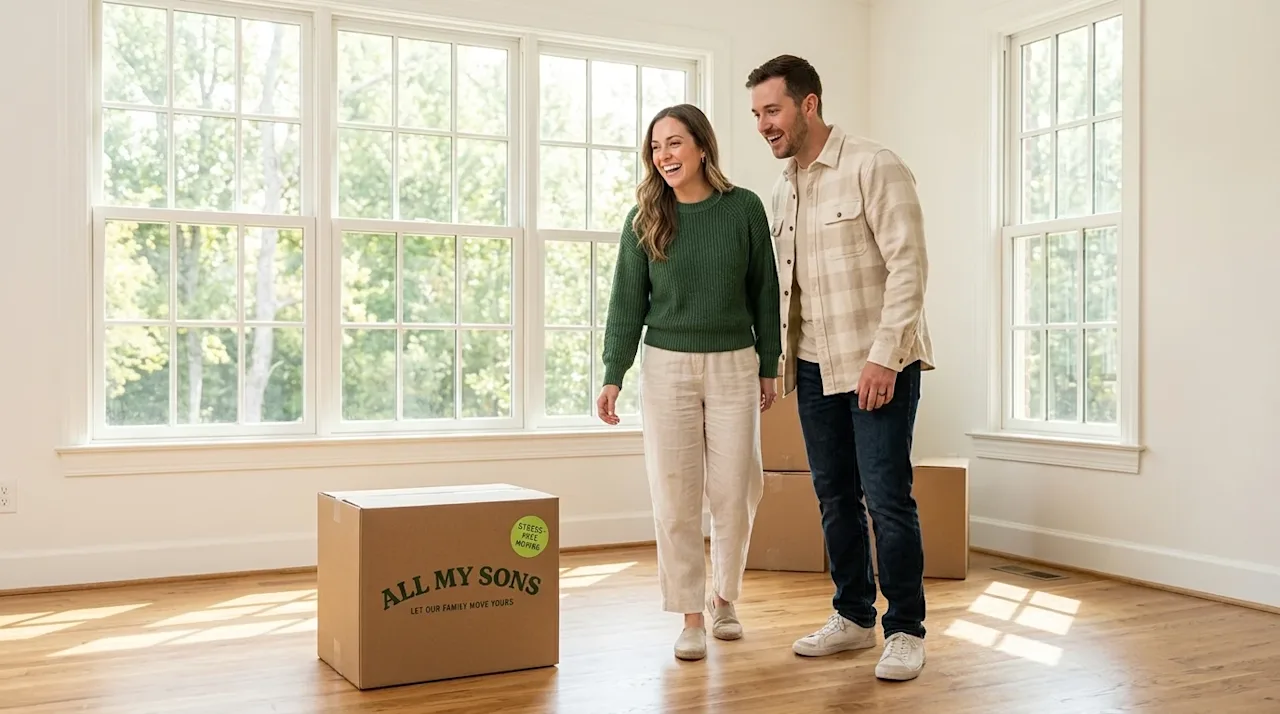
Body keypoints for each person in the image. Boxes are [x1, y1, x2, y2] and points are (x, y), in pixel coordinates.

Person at [745, 55, 935, 681]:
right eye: (756, 115)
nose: (763, 125)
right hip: (813, 368)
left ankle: (905, 629)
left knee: (887, 499)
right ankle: (852, 617)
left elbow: (909, 267)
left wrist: (884, 356)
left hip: (877, 363)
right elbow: (787, 289)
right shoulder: (783, 190)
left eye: (772, 111)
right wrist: (776, 364)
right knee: (834, 498)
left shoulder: (873, 166)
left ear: (809, 104)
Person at [597, 103, 782, 662]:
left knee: (736, 490)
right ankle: (690, 616)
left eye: (674, 143)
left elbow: (765, 292)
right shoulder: (645, 219)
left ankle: (725, 598)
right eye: (656, 148)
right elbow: (626, 304)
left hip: (734, 363)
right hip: (667, 366)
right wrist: (613, 374)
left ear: (702, 146)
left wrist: (769, 363)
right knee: (675, 496)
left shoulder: (743, 208)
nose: (664, 156)